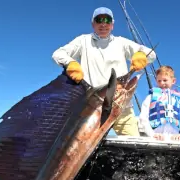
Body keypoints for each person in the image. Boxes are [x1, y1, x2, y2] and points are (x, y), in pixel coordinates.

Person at [52, 7, 156, 136]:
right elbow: (58, 54)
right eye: (99, 20)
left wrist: (141, 55)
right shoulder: (83, 41)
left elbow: (151, 54)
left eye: (107, 20)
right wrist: (70, 63)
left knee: (135, 145)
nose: (103, 24)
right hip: (93, 108)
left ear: (112, 25)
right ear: (93, 24)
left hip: (123, 107)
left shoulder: (121, 42)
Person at [139, 66, 180, 141]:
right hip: (155, 138)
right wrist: (152, 134)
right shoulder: (150, 98)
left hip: (175, 139)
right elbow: (143, 117)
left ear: (173, 81)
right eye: (159, 81)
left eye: (165, 80)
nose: (162, 83)